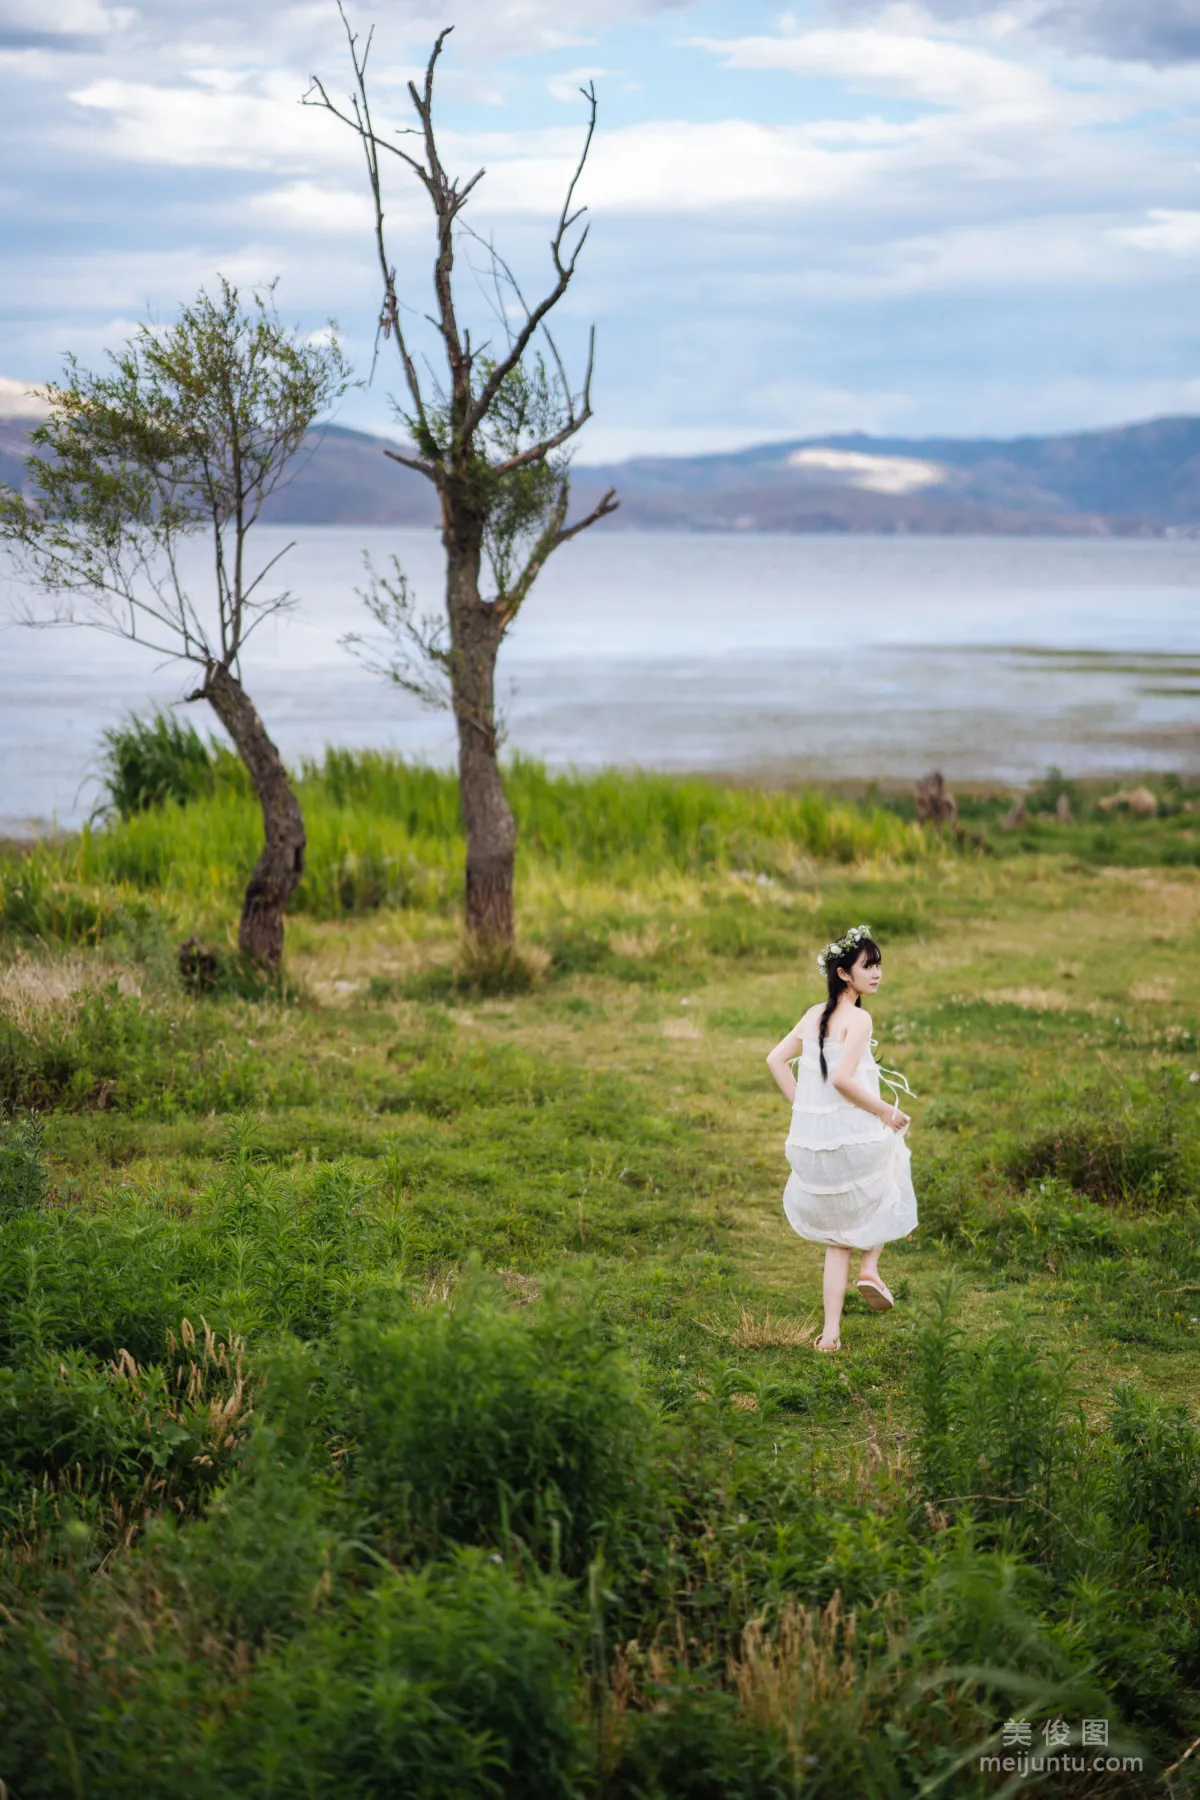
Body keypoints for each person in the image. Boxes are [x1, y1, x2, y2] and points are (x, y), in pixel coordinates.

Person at [765, 925, 917, 1353]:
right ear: (844, 974)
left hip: (813, 1143)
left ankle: (830, 1335)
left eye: (879, 964)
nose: (877, 973)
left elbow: (775, 1060)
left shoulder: (814, 1013)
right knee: (891, 1169)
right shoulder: (859, 1018)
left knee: (836, 1241)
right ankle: (870, 1267)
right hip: (850, 1136)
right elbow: (845, 1081)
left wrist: (804, 1111)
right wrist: (886, 1112)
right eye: (868, 966)